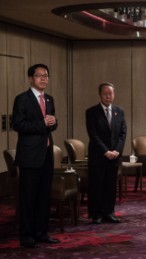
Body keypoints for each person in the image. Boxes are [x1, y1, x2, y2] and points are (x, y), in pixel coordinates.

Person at [12, 64, 60, 248]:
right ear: (31, 78)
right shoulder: (22, 99)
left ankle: (42, 232)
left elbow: (52, 124)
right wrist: (42, 123)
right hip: (30, 156)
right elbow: (19, 125)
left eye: (46, 76)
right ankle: (26, 235)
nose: (43, 79)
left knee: (43, 196)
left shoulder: (49, 99)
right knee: (28, 197)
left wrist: (54, 122)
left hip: (46, 154)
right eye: (39, 76)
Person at [86, 82, 127, 224]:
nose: (109, 96)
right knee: (97, 185)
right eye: (105, 93)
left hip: (114, 156)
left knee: (110, 186)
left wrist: (117, 151)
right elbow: (93, 135)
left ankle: (109, 212)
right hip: (98, 156)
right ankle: (96, 214)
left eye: (111, 93)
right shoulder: (91, 112)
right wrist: (106, 151)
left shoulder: (119, 111)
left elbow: (122, 134)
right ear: (100, 95)